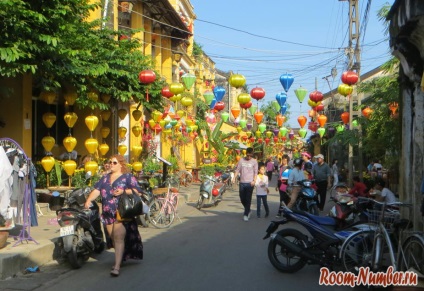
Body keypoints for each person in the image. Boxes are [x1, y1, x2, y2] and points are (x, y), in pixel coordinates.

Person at [84, 154, 143, 277]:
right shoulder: (105, 178)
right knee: (112, 237)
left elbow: (137, 191)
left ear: (121, 164)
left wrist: (123, 191)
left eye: (114, 162)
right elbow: (97, 190)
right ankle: (120, 258)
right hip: (107, 213)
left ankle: (116, 266)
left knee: (118, 237)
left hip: (120, 212)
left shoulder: (127, 177)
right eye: (110, 162)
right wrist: (88, 200)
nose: (111, 164)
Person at [233, 147, 258, 221]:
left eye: (251, 156)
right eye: (248, 155)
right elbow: (237, 170)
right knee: (242, 198)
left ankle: (246, 214)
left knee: (248, 198)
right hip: (242, 182)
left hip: (250, 183)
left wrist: (254, 181)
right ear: (246, 154)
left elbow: (256, 172)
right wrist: (234, 177)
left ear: (252, 155)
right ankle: (248, 209)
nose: (249, 157)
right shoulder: (241, 160)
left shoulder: (254, 162)